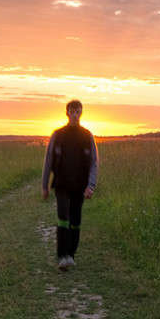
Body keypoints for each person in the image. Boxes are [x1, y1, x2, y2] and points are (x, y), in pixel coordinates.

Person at [41, 99, 98, 271]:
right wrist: (44, 185)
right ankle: (62, 256)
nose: (74, 114)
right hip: (62, 185)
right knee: (63, 218)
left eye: (78, 111)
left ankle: (71, 255)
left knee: (76, 222)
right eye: (72, 111)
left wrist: (91, 186)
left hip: (79, 187)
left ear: (81, 113)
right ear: (67, 113)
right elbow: (48, 160)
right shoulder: (58, 135)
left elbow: (94, 163)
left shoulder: (87, 136)